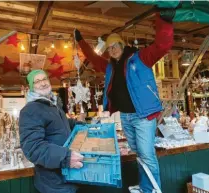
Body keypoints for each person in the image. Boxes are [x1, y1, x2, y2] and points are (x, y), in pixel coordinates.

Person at [74, 10, 175, 193]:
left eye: (115, 45)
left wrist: (165, 21)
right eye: (109, 47)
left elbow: (163, 45)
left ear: (122, 44)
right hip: (126, 117)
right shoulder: (109, 67)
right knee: (140, 154)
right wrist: (81, 41)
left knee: (147, 154)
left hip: (143, 115)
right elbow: (93, 58)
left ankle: (153, 189)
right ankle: (146, 186)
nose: (112, 49)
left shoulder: (140, 57)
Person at [19, 70, 84, 193]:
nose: (42, 83)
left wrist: (82, 126)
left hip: (68, 177)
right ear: (32, 87)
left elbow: (63, 124)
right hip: (53, 183)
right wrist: (65, 157)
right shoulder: (30, 110)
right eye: (37, 81)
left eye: (44, 79)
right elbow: (33, 147)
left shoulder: (53, 105)